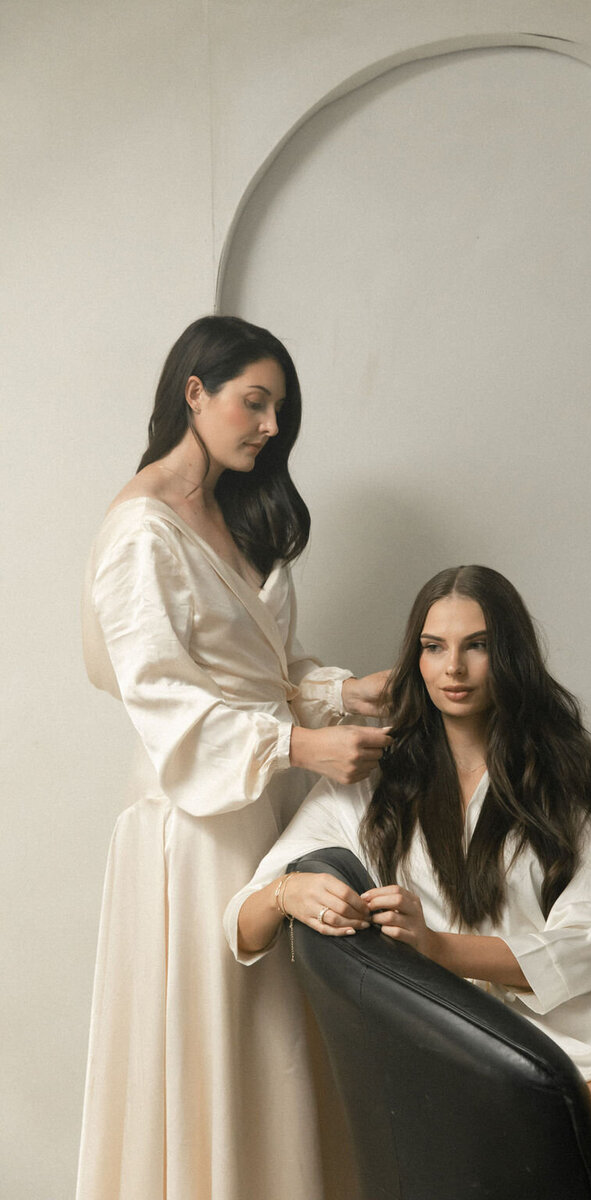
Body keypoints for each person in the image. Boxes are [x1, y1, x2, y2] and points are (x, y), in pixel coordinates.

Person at [225, 565, 591, 1200]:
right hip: (507, 1037)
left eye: (478, 645)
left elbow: (581, 949)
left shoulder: (562, 771)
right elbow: (241, 922)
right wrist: (285, 893)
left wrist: (434, 945)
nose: (454, 668)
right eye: (434, 647)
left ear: (509, 655)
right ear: (415, 658)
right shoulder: (370, 783)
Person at [77, 315, 390, 1200]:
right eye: (254, 403)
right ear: (194, 394)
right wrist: (301, 743)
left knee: (280, 1042)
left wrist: (351, 694)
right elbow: (165, 700)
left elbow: (262, 673)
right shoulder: (142, 531)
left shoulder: (225, 513)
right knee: (222, 1036)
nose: (269, 427)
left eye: (278, 411)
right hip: (197, 821)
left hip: (264, 802)